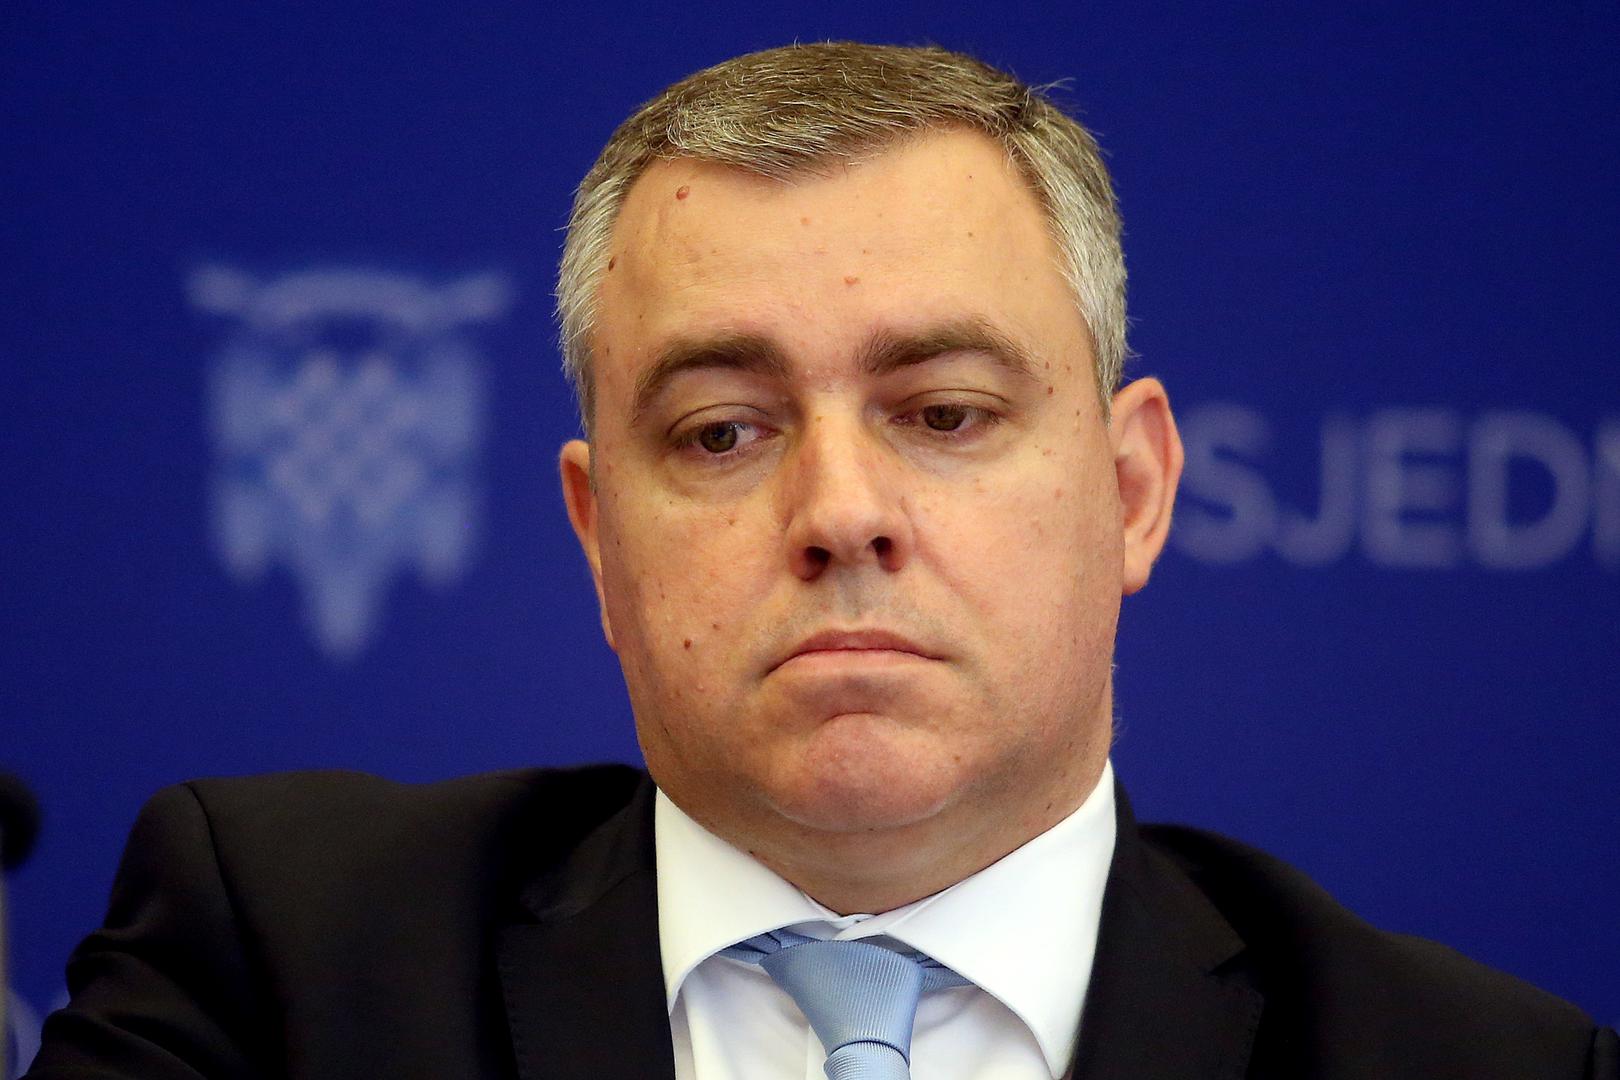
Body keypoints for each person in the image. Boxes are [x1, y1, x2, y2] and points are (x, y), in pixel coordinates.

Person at [27, 42, 1617, 1080]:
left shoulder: (1479, 1065)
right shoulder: (283, 966)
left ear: (1133, 492)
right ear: (597, 535)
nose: (840, 511)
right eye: (722, 431)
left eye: (945, 412)